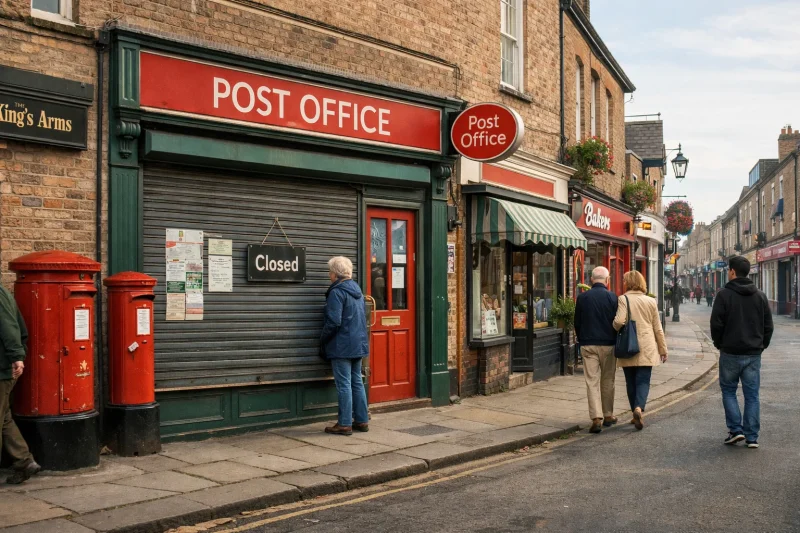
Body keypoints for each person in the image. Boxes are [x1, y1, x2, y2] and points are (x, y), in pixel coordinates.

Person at [710, 256, 773, 449]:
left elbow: (716, 324)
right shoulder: (760, 296)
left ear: (732, 272)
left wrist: (719, 343)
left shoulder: (723, 295)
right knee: (752, 395)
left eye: (729, 270)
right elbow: (768, 325)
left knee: (729, 391)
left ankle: (736, 430)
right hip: (753, 353)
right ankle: (752, 437)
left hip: (730, 352)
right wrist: (761, 345)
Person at [320, 257, 369, 436]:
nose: (329, 275)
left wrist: (323, 339)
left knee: (344, 384)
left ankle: (344, 424)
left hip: (342, 345)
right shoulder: (357, 290)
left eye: (330, 272)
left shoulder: (337, 292)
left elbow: (334, 321)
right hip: (358, 343)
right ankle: (362, 420)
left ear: (334, 273)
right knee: (357, 381)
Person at [613, 271, 668, 431]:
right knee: (643, 380)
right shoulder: (651, 301)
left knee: (630, 381)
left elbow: (619, 321)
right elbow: (658, 328)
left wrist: (615, 328)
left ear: (628, 282)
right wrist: (663, 349)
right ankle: (639, 408)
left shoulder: (623, 299)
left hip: (628, 345)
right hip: (647, 345)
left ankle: (634, 412)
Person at [0, 284, 41, 484]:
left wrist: (17, 356)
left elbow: (9, 326)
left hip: (2, 369)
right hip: (5, 367)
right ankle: (24, 461)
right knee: (4, 417)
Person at [574, 266, 618, 434]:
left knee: (591, 381)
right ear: (607, 281)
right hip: (609, 344)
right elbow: (618, 321)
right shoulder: (613, 297)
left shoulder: (582, 298)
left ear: (591, 280)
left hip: (588, 344)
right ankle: (608, 415)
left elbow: (577, 322)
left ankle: (596, 418)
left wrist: (581, 338)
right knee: (608, 381)